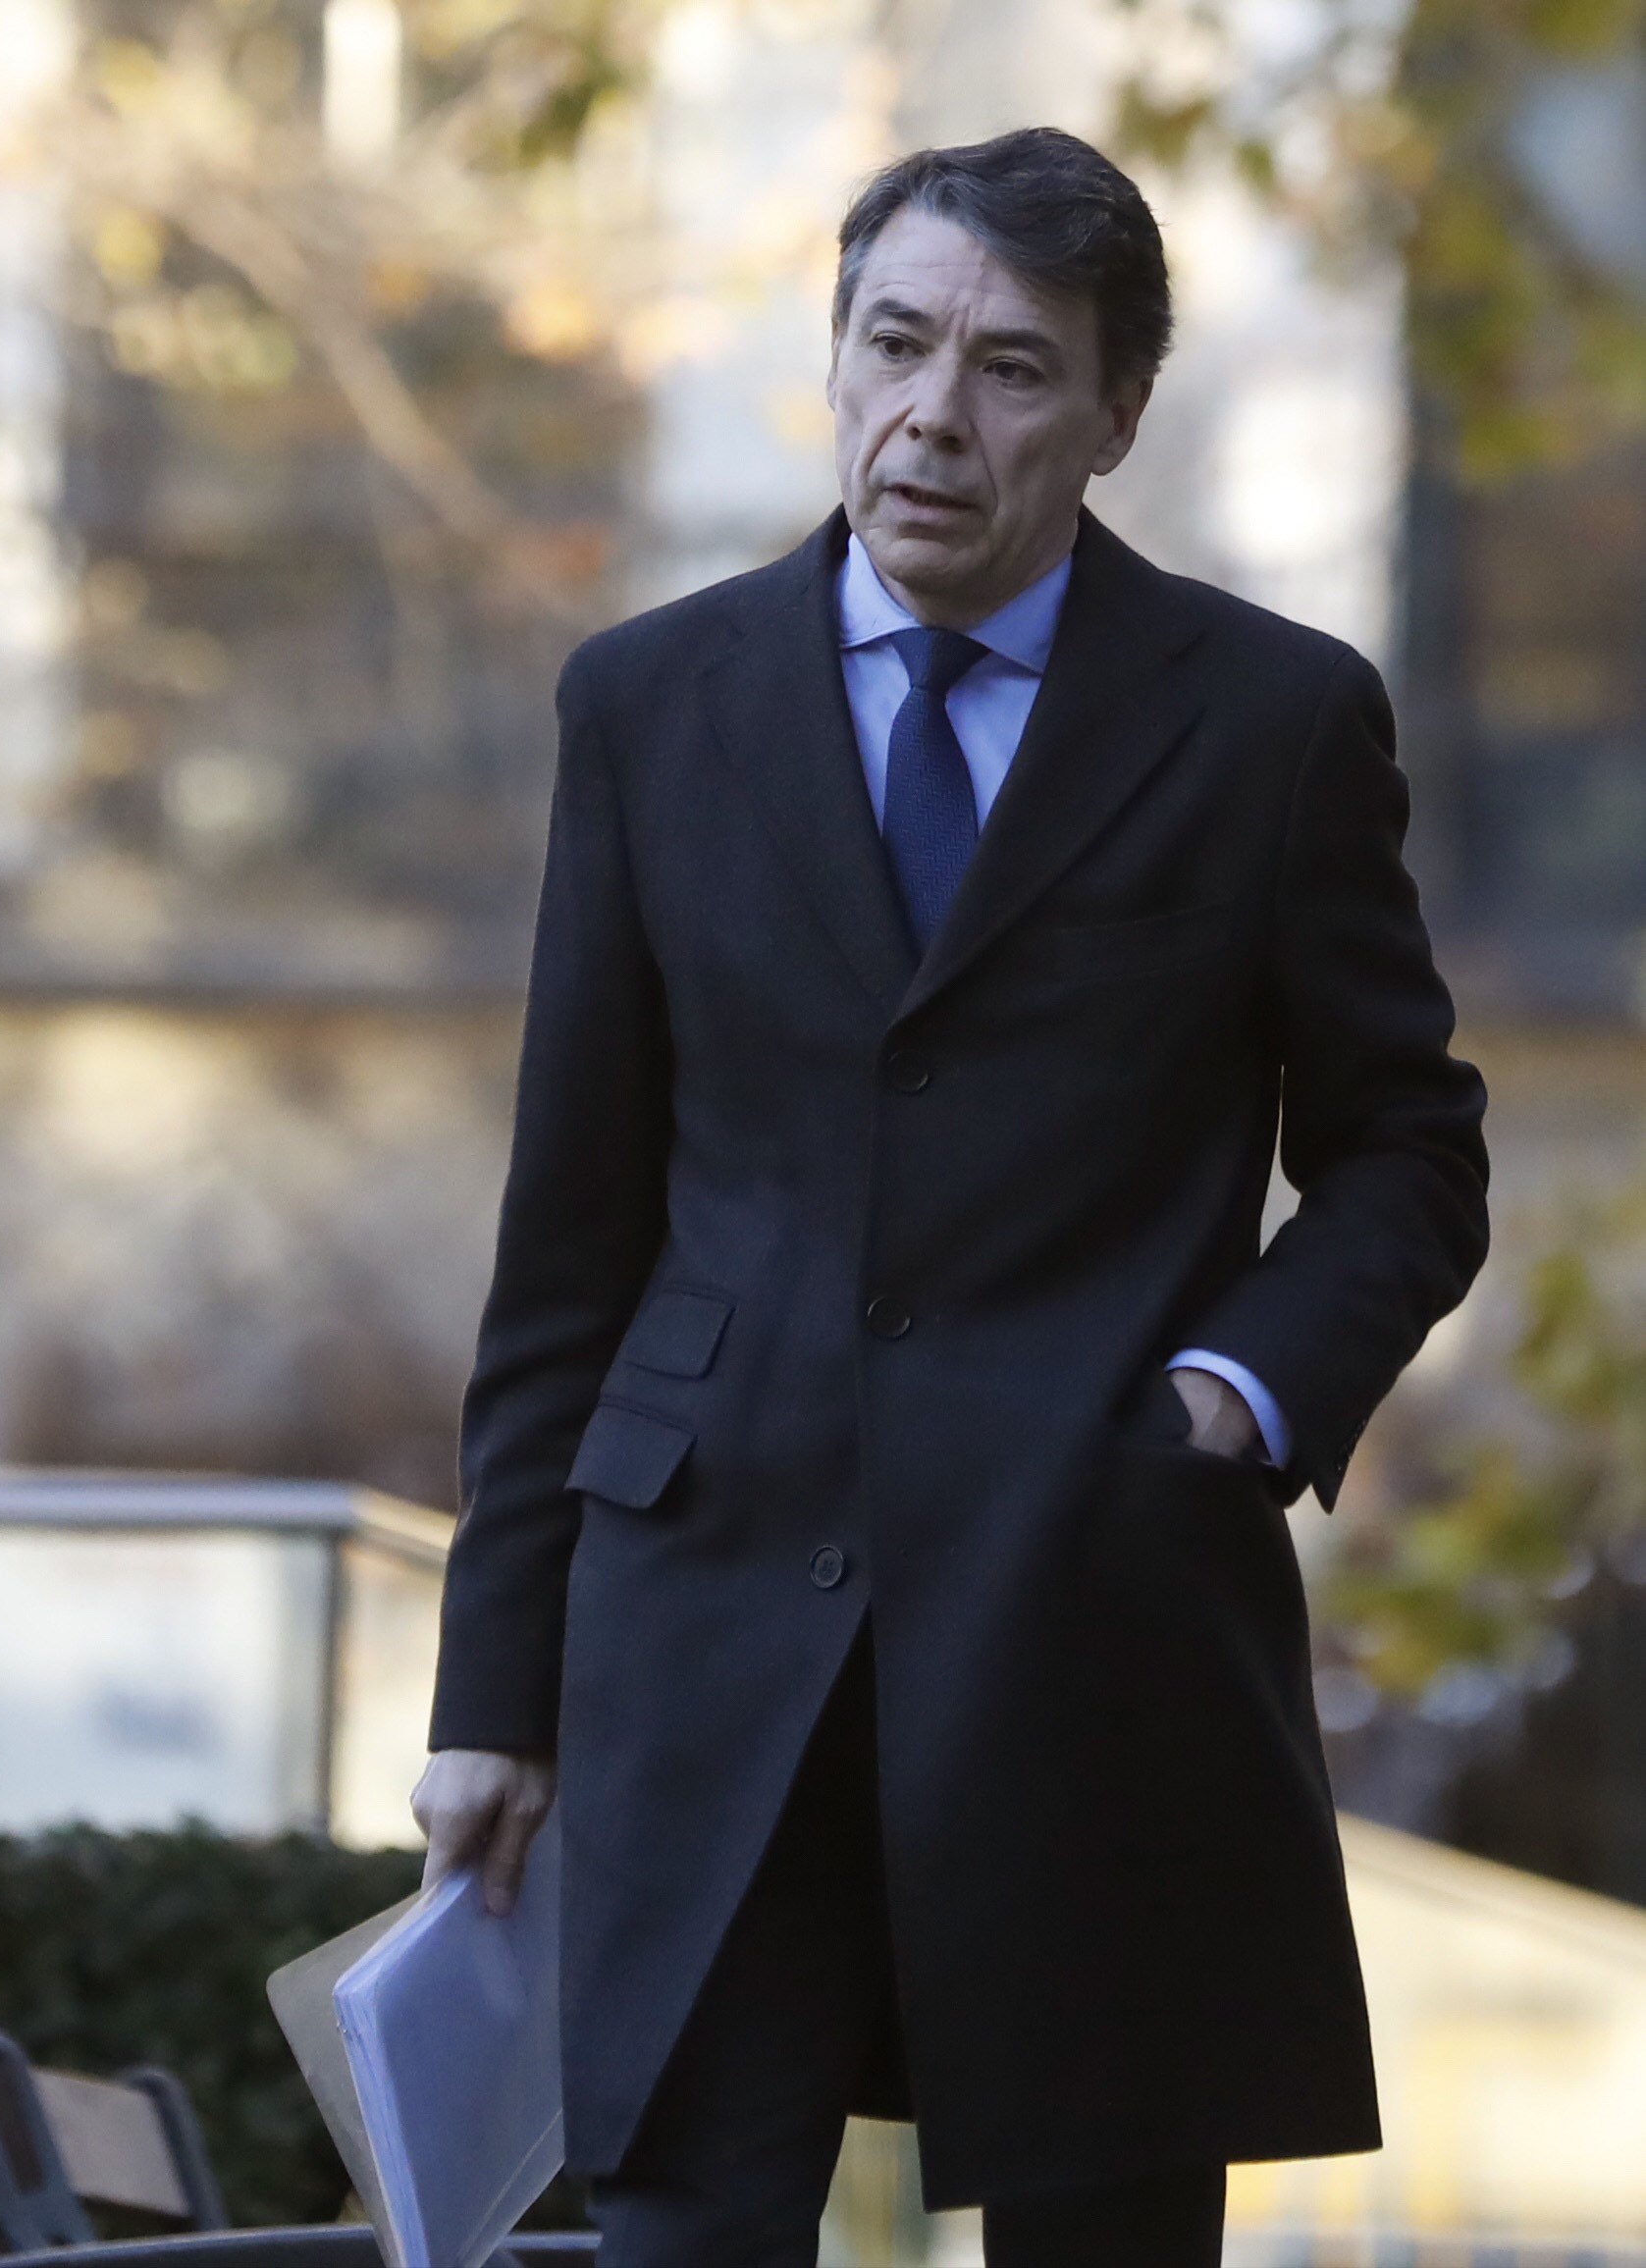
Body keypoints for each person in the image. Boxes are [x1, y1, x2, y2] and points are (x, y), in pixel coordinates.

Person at [408, 126, 1489, 2267]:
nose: (932, 416)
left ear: (1114, 417)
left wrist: (1232, 1398)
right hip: (707, 1621)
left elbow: (1410, 1147)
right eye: (893, 345)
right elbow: (572, 1239)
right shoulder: (647, 704)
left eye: (1009, 370)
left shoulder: (1271, 723)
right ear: (832, 361)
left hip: (1095, 1620)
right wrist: (491, 1691)